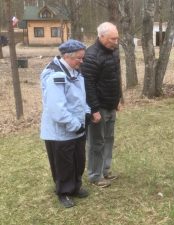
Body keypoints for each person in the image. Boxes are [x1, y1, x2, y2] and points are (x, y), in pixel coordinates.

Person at [40, 39, 90, 208]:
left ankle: (75, 186)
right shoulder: (55, 75)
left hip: (77, 127)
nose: (82, 61)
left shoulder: (74, 71)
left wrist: (87, 112)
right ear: (67, 57)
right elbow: (57, 109)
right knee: (63, 163)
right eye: (79, 58)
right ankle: (63, 192)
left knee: (78, 159)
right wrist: (75, 124)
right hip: (61, 131)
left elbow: (79, 97)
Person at [81, 22, 122, 188]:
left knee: (109, 139)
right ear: (102, 36)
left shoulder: (113, 51)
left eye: (117, 38)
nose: (116, 41)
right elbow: (88, 85)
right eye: (113, 38)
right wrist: (94, 109)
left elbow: (115, 77)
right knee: (96, 142)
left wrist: (117, 99)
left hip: (111, 105)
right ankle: (94, 176)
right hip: (98, 108)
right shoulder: (91, 55)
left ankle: (106, 170)